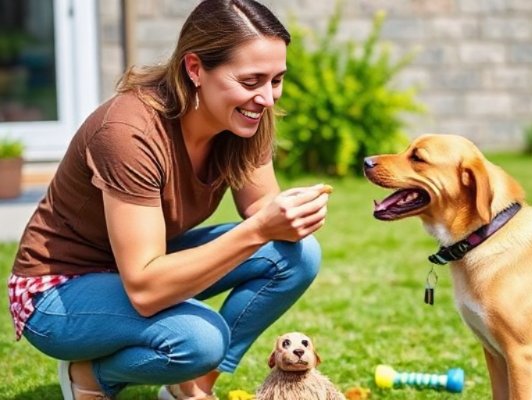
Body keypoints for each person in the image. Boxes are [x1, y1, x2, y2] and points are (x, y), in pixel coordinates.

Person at [6, 0, 330, 399]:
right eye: (251, 82)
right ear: (195, 69)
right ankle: (90, 375)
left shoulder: (245, 118)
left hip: (141, 261)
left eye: (276, 80)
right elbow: (146, 289)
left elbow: (264, 214)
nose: (267, 98)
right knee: (201, 339)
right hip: (58, 290)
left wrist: (291, 217)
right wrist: (261, 229)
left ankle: (191, 388)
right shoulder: (128, 132)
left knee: (299, 254)